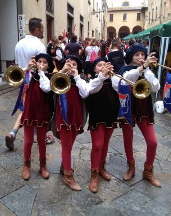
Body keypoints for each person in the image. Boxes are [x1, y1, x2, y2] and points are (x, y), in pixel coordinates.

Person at [52, 55, 111, 191]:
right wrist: (62, 71)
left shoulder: (81, 80)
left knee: (70, 143)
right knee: (67, 146)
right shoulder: (59, 77)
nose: (71, 66)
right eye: (69, 63)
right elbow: (51, 87)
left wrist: (77, 77)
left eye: (74, 64)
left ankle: (63, 166)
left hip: (76, 117)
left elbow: (85, 93)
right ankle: (68, 176)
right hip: (64, 116)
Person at [5, 17, 54, 151]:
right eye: (42, 29)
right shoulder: (39, 45)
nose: (43, 31)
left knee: (25, 107)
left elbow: (17, 63)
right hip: (34, 82)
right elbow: (42, 65)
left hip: (22, 80)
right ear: (37, 29)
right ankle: (17, 133)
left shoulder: (19, 43)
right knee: (33, 109)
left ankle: (14, 133)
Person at [119, 43, 161, 187]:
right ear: (131, 56)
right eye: (137, 55)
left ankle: (148, 171)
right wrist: (142, 67)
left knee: (153, 142)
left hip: (144, 106)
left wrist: (147, 70)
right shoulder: (125, 70)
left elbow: (156, 87)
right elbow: (126, 79)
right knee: (128, 139)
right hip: (129, 105)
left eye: (143, 55)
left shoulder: (147, 71)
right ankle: (131, 167)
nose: (140, 57)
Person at [86, 58, 123, 193]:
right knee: (97, 145)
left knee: (105, 143)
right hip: (97, 117)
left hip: (110, 116)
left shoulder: (113, 80)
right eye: (99, 65)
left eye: (105, 65)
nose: (102, 67)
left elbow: (120, 88)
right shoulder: (92, 81)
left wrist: (112, 75)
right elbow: (91, 90)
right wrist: (102, 76)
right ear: (95, 70)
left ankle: (101, 167)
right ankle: (94, 174)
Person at [21, 53, 55, 180]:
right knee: (28, 141)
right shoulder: (30, 75)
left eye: (44, 62)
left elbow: (46, 88)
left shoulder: (48, 77)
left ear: (48, 65)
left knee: (41, 141)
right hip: (30, 111)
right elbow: (20, 83)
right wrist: (28, 68)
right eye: (39, 61)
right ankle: (26, 165)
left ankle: (43, 165)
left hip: (42, 112)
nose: (41, 64)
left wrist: (41, 73)